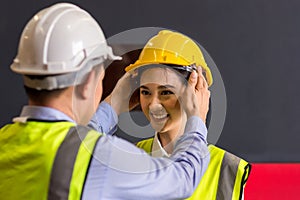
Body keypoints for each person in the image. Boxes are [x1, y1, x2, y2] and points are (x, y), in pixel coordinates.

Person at [0, 3, 211, 200]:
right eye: (101, 78)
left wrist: (112, 105)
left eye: (165, 92)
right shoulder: (101, 157)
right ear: (87, 82)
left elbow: (72, 150)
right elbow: (181, 178)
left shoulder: (5, 141)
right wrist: (197, 119)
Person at [123, 30, 251, 200]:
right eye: (145, 92)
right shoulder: (125, 159)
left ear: (196, 90)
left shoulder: (226, 170)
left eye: (166, 92)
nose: (153, 104)